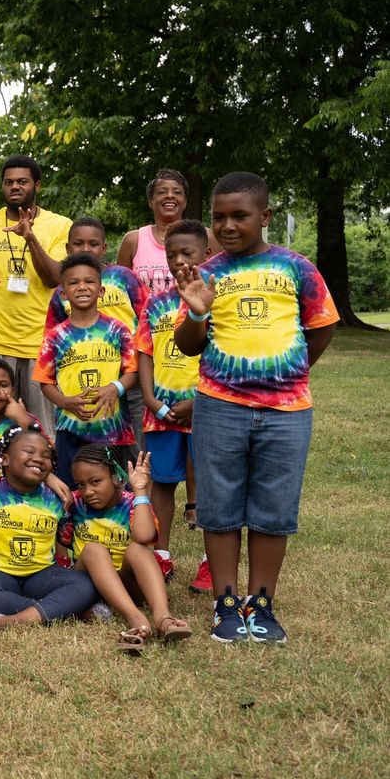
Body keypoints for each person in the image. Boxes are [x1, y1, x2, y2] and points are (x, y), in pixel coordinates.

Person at [173, 172, 338, 644]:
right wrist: (198, 310)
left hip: (287, 411)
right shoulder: (206, 272)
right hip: (219, 406)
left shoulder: (296, 267)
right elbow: (188, 345)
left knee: (273, 508)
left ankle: (261, 604)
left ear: (264, 216)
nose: (227, 225)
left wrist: (289, 371)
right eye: (218, 217)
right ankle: (226, 605)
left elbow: (322, 325)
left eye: (239, 216)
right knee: (219, 505)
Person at [0, 428, 97, 637]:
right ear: (4, 459)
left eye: (46, 456)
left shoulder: (57, 499)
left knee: (85, 586)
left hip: (42, 574)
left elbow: (64, 537)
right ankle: (64, 609)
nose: (38, 459)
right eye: (29, 452)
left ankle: (10, 621)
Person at [0, 156, 72, 435]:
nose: (14, 187)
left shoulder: (59, 225)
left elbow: (55, 278)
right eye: (8, 182)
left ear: (37, 185)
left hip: (43, 343)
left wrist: (30, 237)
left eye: (22, 181)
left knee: (43, 428)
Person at [135, 220, 210, 586]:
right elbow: (145, 352)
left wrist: (199, 400)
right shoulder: (156, 303)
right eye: (171, 254)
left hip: (207, 408)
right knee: (162, 482)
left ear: (206, 254)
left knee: (210, 484)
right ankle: (161, 555)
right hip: (161, 412)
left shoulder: (216, 299)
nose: (178, 261)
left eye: (187, 253)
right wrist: (151, 400)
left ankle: (212, 560)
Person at [68, 448, 190, 650]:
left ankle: (163, 617)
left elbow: (144, 536)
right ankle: (136, 618)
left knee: (138, 549)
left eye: (96, 482)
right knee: (93, 550)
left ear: (116, 478)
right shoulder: (74, 503)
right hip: (90, 585)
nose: (88, 491)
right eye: (81, 485)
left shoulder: (133, 503)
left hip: (129, 584)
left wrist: (140, 491)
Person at [47, 217, 149, 452]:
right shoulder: (63, 292)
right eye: (78, 243)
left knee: (135, 445)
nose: (86, 249)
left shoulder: (124, 277)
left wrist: (143, 365)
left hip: (131, 377)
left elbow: (147, 321)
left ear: (104, 248)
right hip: (87, 382)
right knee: (92, 448)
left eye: (93, 244)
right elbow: (53, 341)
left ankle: (134, 476)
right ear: (68, 248)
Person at [36, 254, 138, 485]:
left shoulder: (118, 330)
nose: (82, 287)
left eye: (89, 281)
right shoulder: (54, 337)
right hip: (70, 428)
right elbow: (45, 381)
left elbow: (132, 371)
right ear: (63, 294)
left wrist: (116, 387)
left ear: (101, 291)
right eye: (73, 283)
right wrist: (65, 402)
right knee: (72, 486)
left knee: (110, 487)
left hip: (111, 429)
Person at [117, 168, 220, 295]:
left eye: (177, 192)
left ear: (185, 202)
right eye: (161, 192)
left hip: (197, 308)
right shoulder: (133, 241)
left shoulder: (206, 236)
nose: (170, 196)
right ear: (150, 202)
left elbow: (221, 280)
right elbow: (120, 290)